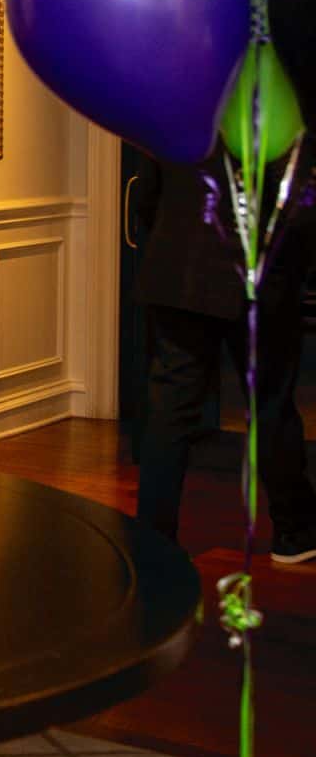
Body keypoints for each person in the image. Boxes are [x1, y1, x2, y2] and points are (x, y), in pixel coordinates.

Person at [130, 148, 316, 563]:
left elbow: (147, 196)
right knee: (269, 403)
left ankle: (154, 543)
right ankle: (295, 531)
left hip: (178, 274)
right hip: (255, 277)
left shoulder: (176, 102)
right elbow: (299, 208)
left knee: (170, 412)